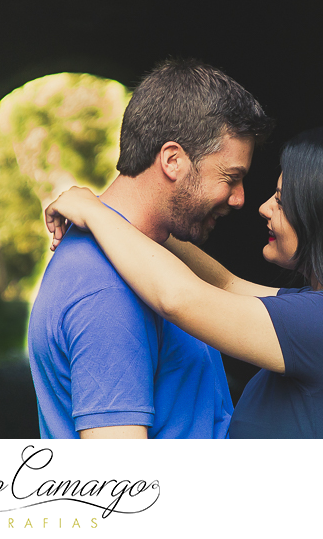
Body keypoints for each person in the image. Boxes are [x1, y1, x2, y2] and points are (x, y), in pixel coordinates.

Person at [44, 127, 323, 438]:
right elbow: (227, 286)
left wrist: (94, 212)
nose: (264, 207)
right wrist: (139, 217)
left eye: (282, 201)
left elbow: (181, 298)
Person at [27, 58, 274, 438]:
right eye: (231, 178)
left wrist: (95, 210)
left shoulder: (151, 252)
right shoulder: (105, 292)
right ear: (173, 160)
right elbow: (121, 486)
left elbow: (228, 286)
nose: (240, 199)